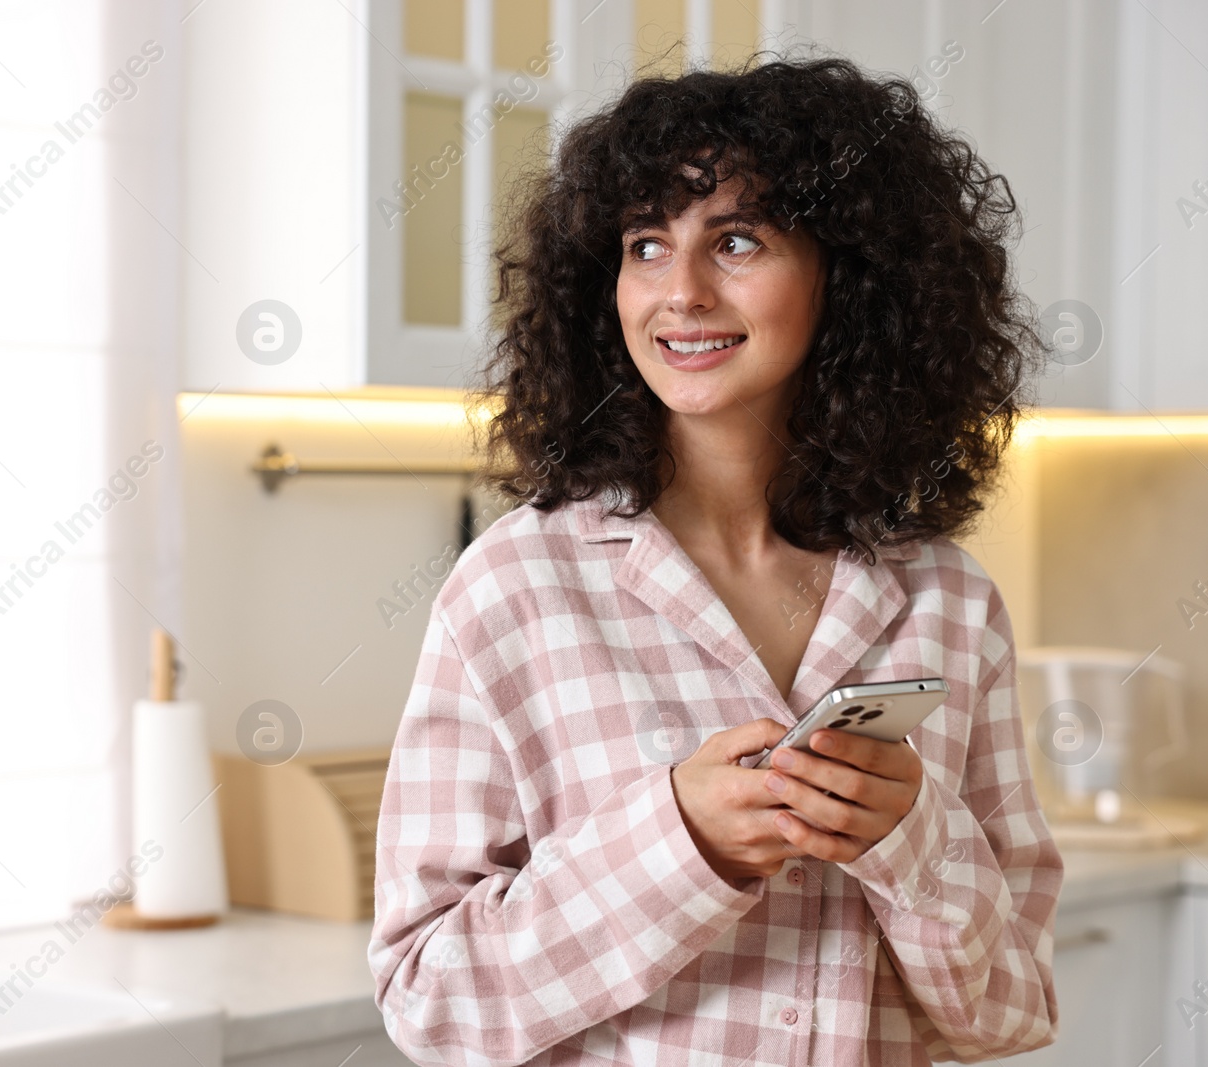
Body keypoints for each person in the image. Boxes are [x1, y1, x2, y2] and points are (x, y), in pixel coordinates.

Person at [369, 54, 1063, 1067]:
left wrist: (908, 834)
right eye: (646, 245)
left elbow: (1012, 1011)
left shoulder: (947, 601)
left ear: (851, 275)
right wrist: (679, 843)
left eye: (735, 240)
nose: (681, 291)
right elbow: (428, 1002)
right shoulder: (516, 587)